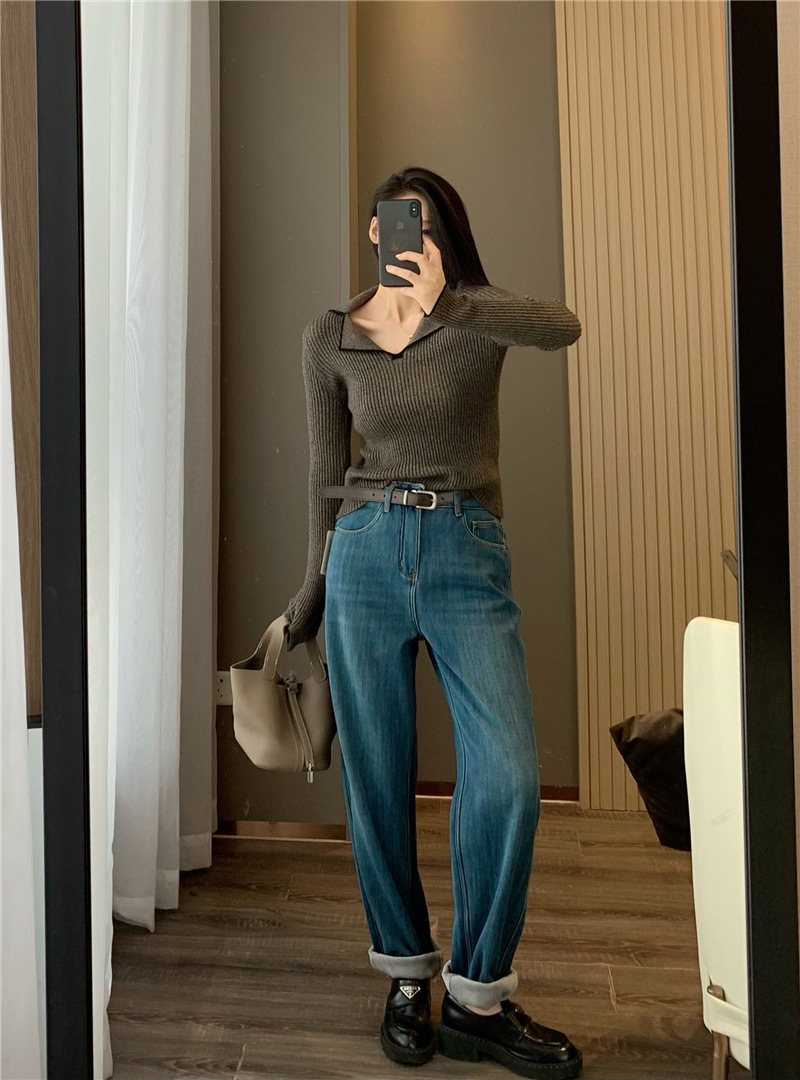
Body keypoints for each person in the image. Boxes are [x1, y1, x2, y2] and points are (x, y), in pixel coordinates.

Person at [283, 167, 583, 1080]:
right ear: (376, 231)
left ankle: (478, 997)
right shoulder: (330, 336)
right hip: (364, 553)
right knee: (376, 778)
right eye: (399, 221)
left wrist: (452, 302)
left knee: (508, 774)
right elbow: (325, 473)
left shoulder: (475, 317)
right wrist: (311, 590)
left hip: (464, 550)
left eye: (429, 222)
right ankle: (407, 979)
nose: (411, 234)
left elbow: (564, 327)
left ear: (443, 235)